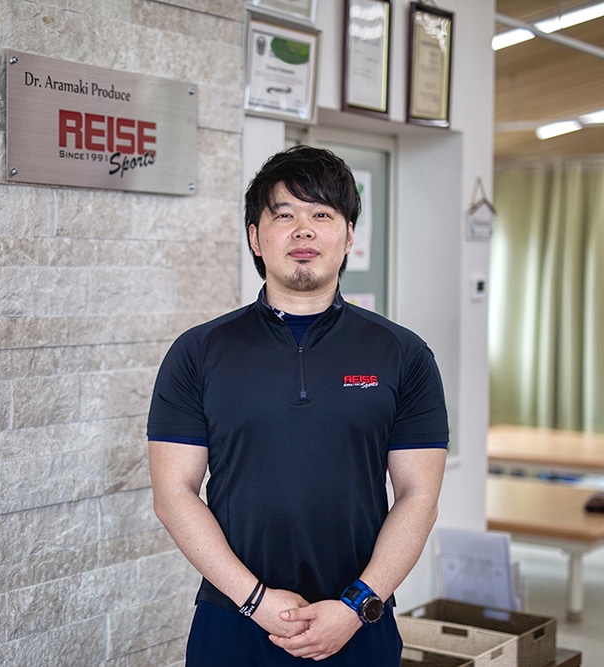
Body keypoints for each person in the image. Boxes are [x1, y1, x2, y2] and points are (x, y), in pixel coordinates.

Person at [147, 145, 449, 665]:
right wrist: (255, 601)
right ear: (255, 237)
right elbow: (174, 494)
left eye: (322, 215)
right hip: (234, 622)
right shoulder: (198, 352)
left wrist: (357, 605)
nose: (303, 231)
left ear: (349, 236)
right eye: (284, 215)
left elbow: (418, 496)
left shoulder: (404, 354)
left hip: (360, 624)